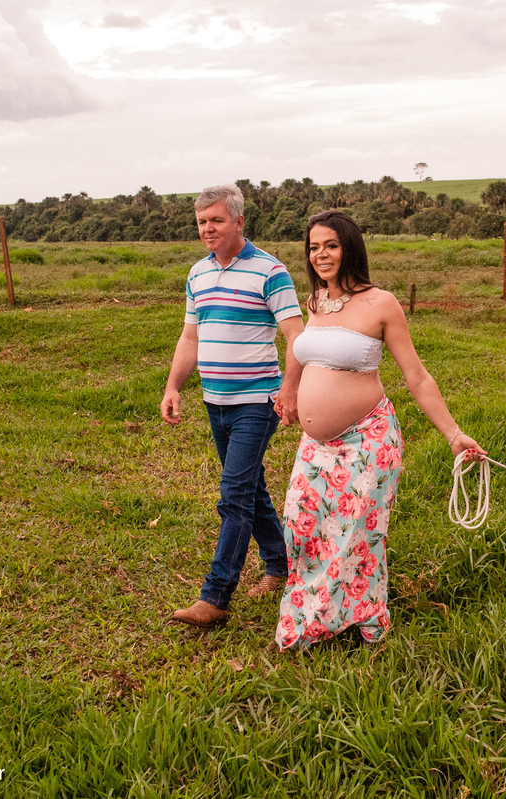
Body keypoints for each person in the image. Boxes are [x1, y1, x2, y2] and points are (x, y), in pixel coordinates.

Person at [275, 210, 484, 650]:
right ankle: (313, 611)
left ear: (349, 247)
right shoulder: (314, 302)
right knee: (302, 526)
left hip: (367, 439)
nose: (321, 255)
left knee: (356, 534)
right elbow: (300, 350)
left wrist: (453, 435)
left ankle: (358, 618)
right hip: (315, 445)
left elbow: (417, 376)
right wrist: (289, 390)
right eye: (314, 247)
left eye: (331, 245)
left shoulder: (381, 303)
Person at [161, 184, 305, 629]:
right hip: (215, 401)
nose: (208, 228)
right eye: (202, 221)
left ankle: (215, 598)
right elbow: (190, 337)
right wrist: (173, 386)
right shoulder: (198, 274)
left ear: (239, 222)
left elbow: (296, 337)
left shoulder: (270, 271)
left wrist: (290, 390)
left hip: (257, 402)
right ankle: (281, 564)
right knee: (250, 489)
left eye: (217, 220)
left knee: (234, 496)